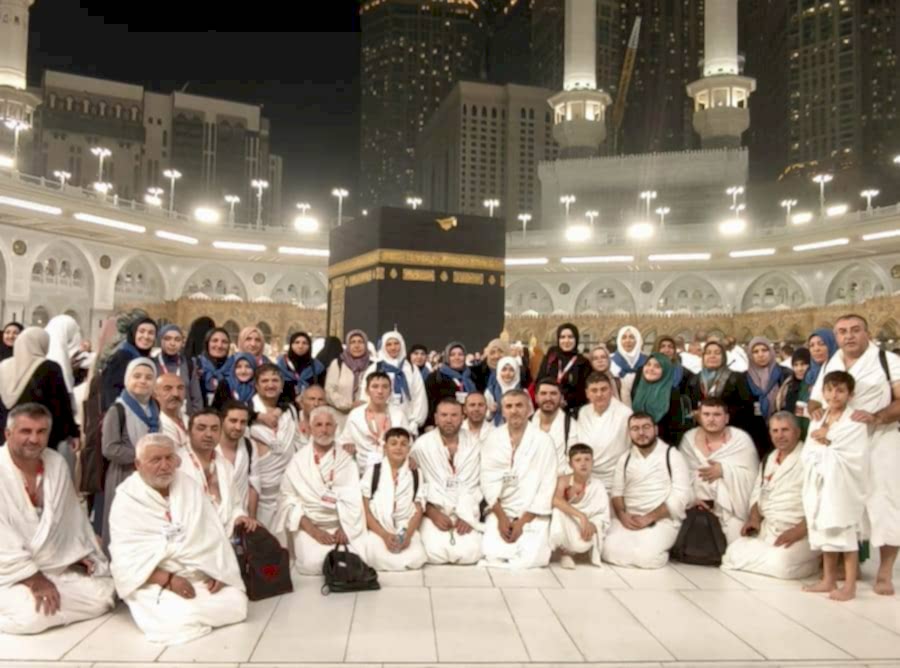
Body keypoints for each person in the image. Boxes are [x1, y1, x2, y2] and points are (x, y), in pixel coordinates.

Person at [109, 433, 248, 645]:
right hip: (154, 579)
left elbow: (213, 534)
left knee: (238, 604)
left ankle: (193, 614)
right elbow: (126, 559)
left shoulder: (188, 486)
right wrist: (168, 580)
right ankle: (189, 614)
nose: (165, 466)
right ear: (138, 464)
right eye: (156, 460)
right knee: (174, 616)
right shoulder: (127, 497)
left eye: (169, 458)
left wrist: (218, 569)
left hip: (198, 571)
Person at [0, 403, 115, 634]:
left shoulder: (55, 463)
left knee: (104, 595)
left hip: (51, 565)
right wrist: (33, 578)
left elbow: (70, 520)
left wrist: (75, 553)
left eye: (41, 432)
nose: (34, 439)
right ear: (8, 433)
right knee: (30, 614)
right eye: (26, 431)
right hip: (9, 571)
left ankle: (48, 604)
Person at [808, 314, 900, 595]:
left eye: (855, 330)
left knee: (884, 504)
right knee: (838, 503)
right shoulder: (832, 362)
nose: (848, 336)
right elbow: (816, 397)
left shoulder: (887, 361)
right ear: (836, 337)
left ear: (867, 333)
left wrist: (878, 416)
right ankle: (847, 569)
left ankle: (885, 573)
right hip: (839, 445)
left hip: (879, 441)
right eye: (842, 331)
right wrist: (815, 409)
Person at [721, 412, 819, 580]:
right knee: (732, 552)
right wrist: (754, 519)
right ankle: (776, 559)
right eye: (775, 431)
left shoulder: (810, 459)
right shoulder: (769, 459)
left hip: (801, 533)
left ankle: (813, 562)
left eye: (785, 430)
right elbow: (757, 493)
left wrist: (798, 531)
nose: (780, 436)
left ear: (797, 432)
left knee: (781, 563)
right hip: (768, 530)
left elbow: (820, 503)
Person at [273, 406, 365, 575]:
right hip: (309, 525)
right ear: (310, 429)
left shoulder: (346, 459)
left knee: (358, 557)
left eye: (328, 424)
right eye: (319, 425)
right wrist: (314, 531)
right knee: (312, 564)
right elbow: (287, 500)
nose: (324, 429)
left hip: (341, 523)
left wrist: (345, 527)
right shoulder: (298, 461)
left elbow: (354, 497)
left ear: (336, 428)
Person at [803, 371, 869, 601]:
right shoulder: (818, 417)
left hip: (842, 485)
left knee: (845, 534)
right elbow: (809, 448)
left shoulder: (855, 421)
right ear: (823, 393)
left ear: (850, 394)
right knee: (825, 532)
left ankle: (850, 586)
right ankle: (828, 579)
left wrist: (828, 438)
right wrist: (823, 442)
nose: (834, 395)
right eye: (830, 390)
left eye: (840, 390)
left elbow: (855, 454)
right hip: (819, 481)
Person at [481, 390, 558, 569]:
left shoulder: (543, 441)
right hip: (502, 509)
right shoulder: (493, 438)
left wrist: (522, 522)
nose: (514, 410)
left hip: (532, 511)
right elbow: (487, 479)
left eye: (519, 405)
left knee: (532, 559)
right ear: (503, 411)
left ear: (529, 409)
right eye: (509, 406)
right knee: (492, 553)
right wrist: (501, 518)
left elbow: (547, 485)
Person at [602, 413, 691, 568]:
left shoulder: (672, 455)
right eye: (635, 429)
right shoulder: (625, 458)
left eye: (646, 427)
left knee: (647, 558)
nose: (641, 432)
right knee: (607, 551)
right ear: (629, 433)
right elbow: (617, 492)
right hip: (630, 518)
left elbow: (680, 495)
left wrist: (649, 517)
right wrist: (622, 515)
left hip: (661, 519)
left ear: (655, 429)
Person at [411, 399, 483, 564]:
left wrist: (467, 516)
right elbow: (415, 484)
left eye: (454, 415)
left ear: (462, 417)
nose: (449, 420)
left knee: (472, 553)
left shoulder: (475, 444)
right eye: (444, 415)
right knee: (434, 552)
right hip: (433, 510)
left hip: (466, 509)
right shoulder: (421, 445)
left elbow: (476, 484)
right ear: (436, 418)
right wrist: (431, 512)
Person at [679, 398, 760, 544]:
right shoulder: (689, 439)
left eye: (717, 414)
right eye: (706, 414)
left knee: (737, 544)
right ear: (699, 417)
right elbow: (680, 477)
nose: (711, 419)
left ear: (726, 418)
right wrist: (691, 498)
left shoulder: (741, 440)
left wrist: (725, 470)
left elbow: (755, 479)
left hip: (732, 509)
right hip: (696, 505)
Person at [101, 357, 160, 550]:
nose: (143, 381)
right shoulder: (117, 410)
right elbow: (110, 448)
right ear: (127, 379)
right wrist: (143, 457)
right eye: (137, 376)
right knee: (122, 523)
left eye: (149, 377)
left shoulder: (154, 408)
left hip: (150, 475)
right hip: (123, 474)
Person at [180, 409, 257, 536]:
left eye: (214, 429)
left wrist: (239, 516)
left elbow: (235, 504)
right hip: (193, 536)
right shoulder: (177, 465)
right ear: (189, 432)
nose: (208, 434)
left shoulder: (225, 465)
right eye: (201, 428)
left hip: (226, 536)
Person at [0, 327, 79, 451]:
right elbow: (61, 405)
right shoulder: (49, 368)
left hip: (6, 434)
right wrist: (72, 433)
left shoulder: (3, 366)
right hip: (38, 438)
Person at [361, 427, 428, 571]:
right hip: (380, 527)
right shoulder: (373, 471)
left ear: (408, 449)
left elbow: (418, 509)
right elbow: (365, 509)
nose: (398, 447)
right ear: (385, 448)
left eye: (403, 444)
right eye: (393, 443)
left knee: (417, 557)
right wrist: (384, 535)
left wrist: (408, 535)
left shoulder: (416, 473)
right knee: (372, 555)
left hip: (405, 526)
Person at [248, 363, 303, 529]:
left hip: (288, 487)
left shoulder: (290, 410)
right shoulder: (247, 411)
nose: (270, 385)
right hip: (259, 490)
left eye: (275, 380)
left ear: (282, 384)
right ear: (256, 385)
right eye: (264, 381)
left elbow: (298, 441)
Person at [550, 443, 610, 568]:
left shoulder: (598, 486)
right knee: (557, 511)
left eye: (587, 459)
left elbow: (603, 517)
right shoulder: (564, 481)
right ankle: (565, 552)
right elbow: (555, 500)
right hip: (571, 523)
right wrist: (581, 516)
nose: (583, 463)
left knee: (580, 545)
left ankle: (576, 552)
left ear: (593, 462)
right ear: (570, 464)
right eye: (578, 460)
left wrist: (593, 526)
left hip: (585, 530)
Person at [341, 371, 411, 475]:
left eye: (385, 387)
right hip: (362, 470)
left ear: (390, 391)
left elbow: (408, 444)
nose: (380, 391)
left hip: (393, 470)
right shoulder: (355, 415)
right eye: (375, 386)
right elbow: (344, 441)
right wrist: (347, 445)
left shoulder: (399, 415)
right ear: (367, 391)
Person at [571, 373, 632, 489]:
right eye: (594, 390)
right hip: (587, 476)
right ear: (587, 393)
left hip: (616, 479)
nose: (599, 394)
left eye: (603, 389)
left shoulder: (625, 414)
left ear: (611, 390)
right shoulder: (583, 412)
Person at [685, 340, 755, 435]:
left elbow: (746, 407)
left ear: (724, 357)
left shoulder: (735, 378)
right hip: (701, 431)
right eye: (708, 353)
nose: (712, 356)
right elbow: (689, 406)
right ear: (703, 357)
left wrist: (721, 414)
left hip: (729, 431)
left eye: (717, 353)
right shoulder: (694, 379)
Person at [361, 330, 428, 429]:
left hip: (407, 420)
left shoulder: (411, 368)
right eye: (389, 344)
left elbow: (419, 396)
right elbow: (366, 394)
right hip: (379, 420)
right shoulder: (375, 368)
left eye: (396, 343)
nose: (393, 348)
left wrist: (415, 422)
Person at [630, 353, 691, 447]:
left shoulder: (672, 393)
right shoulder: (637, 389)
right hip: (638, 443)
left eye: (657, 366)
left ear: (666, 370)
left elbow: (676, 428)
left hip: (662, 445)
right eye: (648, 364)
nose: (651, 369)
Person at [100, 317, 157, 412]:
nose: (146, 336)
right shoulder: (123, 357)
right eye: (141, 331)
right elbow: (110, 390)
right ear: (133, 333)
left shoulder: (146, 358)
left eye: (151, 333)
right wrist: (117, 414)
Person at [536, 323, 591, 413]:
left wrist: (565, 401)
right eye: (562, 337)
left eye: (570, 337)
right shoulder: (551, 358)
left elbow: (584, 391)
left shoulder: (583, 363)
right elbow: (540, 381)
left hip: (571, 411)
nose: (566, 341)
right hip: (547, 407)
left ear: (576, 339)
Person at [744, 337, 784, 458]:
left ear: (771, 352)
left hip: (781, 430)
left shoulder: (784, 374)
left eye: (764, 350)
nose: (760, 354)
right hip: (755, 433)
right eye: (755, 351)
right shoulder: (743, 378)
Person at [325, 329, 371, 429]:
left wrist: (365, 405)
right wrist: (349, 405)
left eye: (360, 342)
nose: (357, 346)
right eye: (352, 342)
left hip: (366, 416)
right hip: (340, 416)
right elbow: (329, 391)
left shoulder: (372, 365)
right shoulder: (338, 364)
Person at [424, 341, 477, 427]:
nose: (457, 357)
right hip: (444, 424)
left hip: (469, 423)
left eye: (460, 354)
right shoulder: (435, 377)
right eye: (452, 355)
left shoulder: (472, 376)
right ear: (447, 357)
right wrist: (430, 424)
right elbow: (429, 403)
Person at [531, 378, 575, 475]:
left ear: (561, 398)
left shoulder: (571, 425)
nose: (548, 398)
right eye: (543, 393)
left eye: (553, 393)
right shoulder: (527, 424)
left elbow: (575, 462)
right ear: (536, 398)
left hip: (560, 480)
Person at [217, 400, 255, 512]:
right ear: (222, 420)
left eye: (243, 422)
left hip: (242, 515)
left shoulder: (250, 446)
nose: (238, 427)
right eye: (233, 421)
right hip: (215, 514)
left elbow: (254, 485)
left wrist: (252, 517)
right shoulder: (209, 447)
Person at [774, 347, 812, 438]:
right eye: (795, 365)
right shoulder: (788, 384)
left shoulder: (815, 385)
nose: (799, 369)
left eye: (803, 364)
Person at [278, 332, 325, 400]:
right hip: (285, 403)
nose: (300, 346)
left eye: (304, 343)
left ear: (309, 346)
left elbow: (321, 389)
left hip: (310, 403)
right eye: (297, 342)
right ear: (291, 345)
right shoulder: (282, 364)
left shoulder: (317, 366)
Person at [196, 327, 232, 408]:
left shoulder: (234, 367)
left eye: (224, 342)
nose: (219, 345)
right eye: (215, 341)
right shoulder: (196, 365)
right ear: (207, 343)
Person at [155, 373, 189, 453]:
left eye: (180, 388)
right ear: (155, 395)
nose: (176, 394)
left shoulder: (189, 419)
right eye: (168, 389)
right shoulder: (154, 425)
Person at [487, 356, 524, 425]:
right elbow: (485, 418)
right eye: (504, 370)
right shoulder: (490, 392)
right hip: (496, 428)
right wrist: (491, 411)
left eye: (511, 370)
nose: (507, 373)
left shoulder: (523, 393)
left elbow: (528, 415)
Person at [295, 384, 327, 450]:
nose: (316, 404)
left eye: (320, 400)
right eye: (312, 399)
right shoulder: (293, 420)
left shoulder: (330, 424)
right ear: (302, 403)